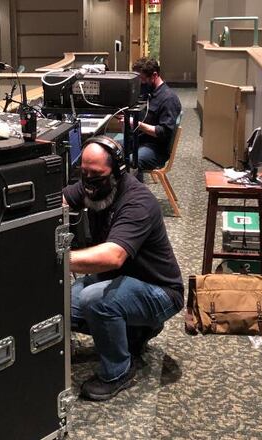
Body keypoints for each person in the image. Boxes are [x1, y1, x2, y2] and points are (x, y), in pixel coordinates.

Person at [63, 136, 184, 401]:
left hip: (160, 290)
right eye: (83, 173)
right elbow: (60, 201)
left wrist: (60, 258)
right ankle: (135, 331)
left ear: (117, 172)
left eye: (96, 175)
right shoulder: (91, 186)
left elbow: (114, 256)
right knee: (58, 304)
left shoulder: (137, 201)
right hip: (120, 281)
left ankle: (118, 372)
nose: (88, 182)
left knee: (94, 300)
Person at [131, 57, 181, 180]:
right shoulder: (148, 93)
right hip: (140, 141)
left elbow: (163, 132)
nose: (140, 83)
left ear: (154, 75)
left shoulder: (168, 99)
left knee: (133, 161)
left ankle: (135, 197)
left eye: (142, 79)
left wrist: (137, 124)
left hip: (157, 149)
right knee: (109, 150)